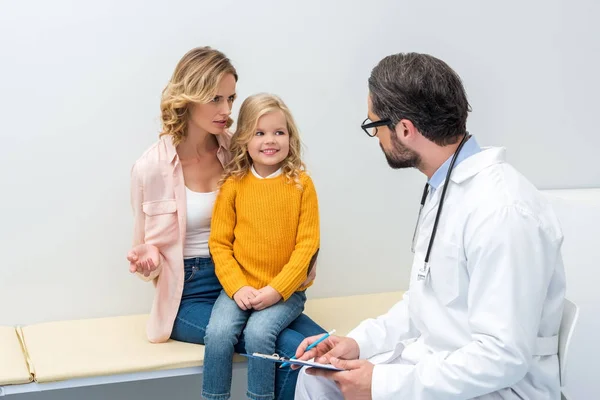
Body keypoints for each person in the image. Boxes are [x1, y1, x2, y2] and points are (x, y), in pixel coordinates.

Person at [293, 52, 566, 399]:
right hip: (441, 361)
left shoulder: (503, 212)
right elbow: (426, 300)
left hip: (498, 387)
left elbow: (503, 357)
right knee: (316, 378)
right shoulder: (447, 186)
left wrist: (382, 384)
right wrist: (357, 342)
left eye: (374, 126)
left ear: (405, 129)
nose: (376, 138)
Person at [126, 46, 325, 399]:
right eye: (216, 99)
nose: (227, 111)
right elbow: (148, 259)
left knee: (318, 347)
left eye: (231, 98)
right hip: (189, 294)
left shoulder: (238, 148)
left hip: (249, 279)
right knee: (290, 348)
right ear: (190, 97)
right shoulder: (150, 167)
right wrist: (148, 259)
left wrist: (300, 269)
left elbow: (278, 211)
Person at [201, 93, 320, 400]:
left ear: (290, 138)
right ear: (244, 139)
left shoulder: (301, 184)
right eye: (260, 132)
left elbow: (306, 247)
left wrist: (276, 290)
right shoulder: (233, 184)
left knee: (258, 333)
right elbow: (219, 244)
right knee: (218, 333)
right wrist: (237, 288)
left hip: (285, 292)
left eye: (279, 132)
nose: (271, 140)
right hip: (239, 288)